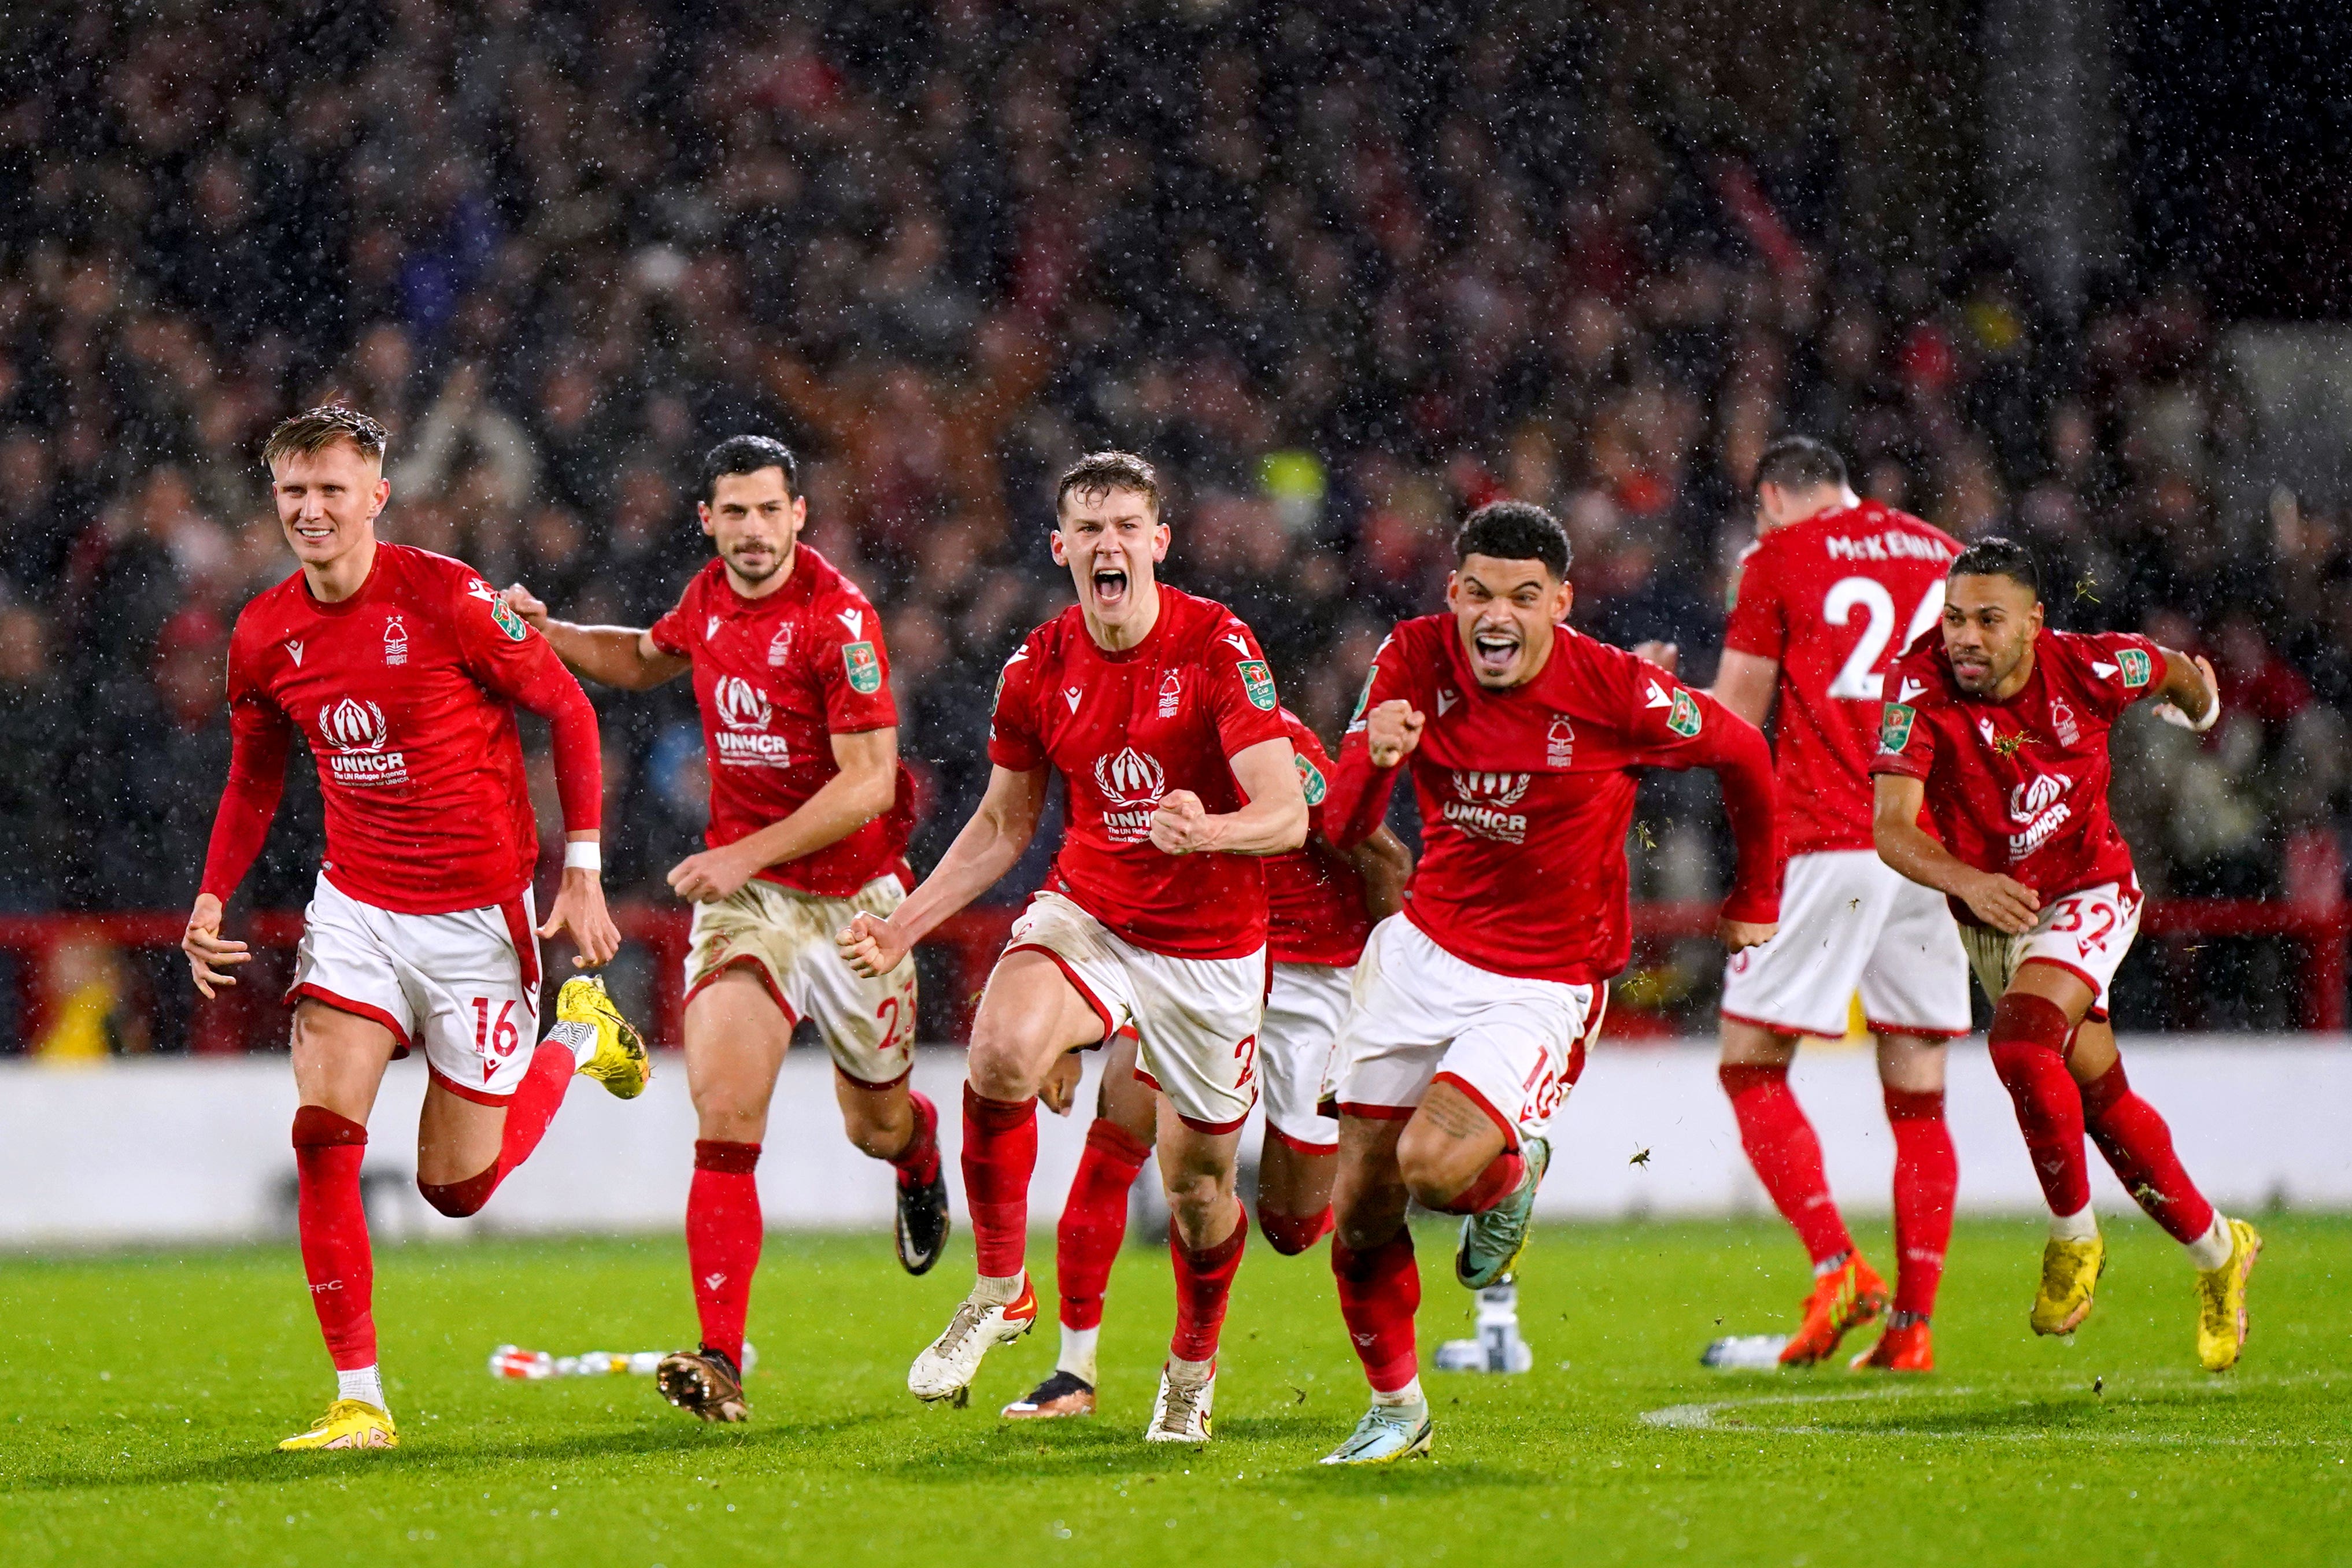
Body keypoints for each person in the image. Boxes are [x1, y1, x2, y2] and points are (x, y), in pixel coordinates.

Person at [182, 405, 645, 1454]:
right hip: (356, 907)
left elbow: (568, 711)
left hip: (477, 922)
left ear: (376, 497)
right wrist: (213, 892)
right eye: (294, 491)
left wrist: (582, 870)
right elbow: (257, 773)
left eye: (332, 490)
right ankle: (360, 1399)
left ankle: (575, 1039)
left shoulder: (450, 598)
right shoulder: (262, 633)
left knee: (456, 1188)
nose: (311, 509)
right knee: (321, 1133)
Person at [838, 451, 1307, 1443]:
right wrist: (905, 922)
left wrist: (1210, 829)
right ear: (1060, 548)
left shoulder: (1219, 647)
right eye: (1089, 529)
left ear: (1157, 542)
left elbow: (1283, 814)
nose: (1108, 545)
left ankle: (1189, 1367)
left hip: (1211, 946)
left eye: (1127, 526)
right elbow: (1004, 826)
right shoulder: (1036, 665)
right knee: (1001, 1049)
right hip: (1091, 911)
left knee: (1198, 1188)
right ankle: (1003, 1289)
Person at [1314, 500, 1781, 1465]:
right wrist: (1371, 757)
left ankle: (1506, 1172)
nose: (1496, 614)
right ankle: (1396, 1408)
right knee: (1357, 1202)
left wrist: (1758, 893)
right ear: (1451, 595)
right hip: (1422, 950)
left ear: (1558, 605)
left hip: (1542, 977)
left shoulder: (1612, 688)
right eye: (1478, 593)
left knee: (1433, 1168)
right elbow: (1342, 823)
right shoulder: (1408, 658)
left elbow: (1744, 749)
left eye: (1522, 597)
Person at [503, 434, 937, 1425]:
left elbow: (868, 782)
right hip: (749, 904)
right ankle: (719, 1357)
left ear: (799, 517)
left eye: (765, 511)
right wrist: (549, 630)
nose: (749, 530)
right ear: (707, 520)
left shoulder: (840, 620)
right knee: (726, 1113)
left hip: (858, 897)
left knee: (874, 1122)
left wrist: (745, 851)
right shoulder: (705, 598)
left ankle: (917, 1155)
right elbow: (645, 658)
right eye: (730, 512)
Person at [1870, 535, 2260, 1371]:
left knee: (2018, 1042)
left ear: (2034, 623)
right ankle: (2221, 1250)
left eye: (1986, 619)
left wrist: (2202, 711)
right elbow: (1891, 829)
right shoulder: (1915, 683)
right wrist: (1970, 882)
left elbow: (2174, 671)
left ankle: (2072, 1239)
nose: (1964, 637)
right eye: (1952, 619)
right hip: (1993, 909)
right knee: (2100, 1098)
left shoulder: (2090, 668)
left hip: (2088, 892)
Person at [1000, 705, 1411, 1419]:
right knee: (1113, 1142)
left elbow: (1385, 858)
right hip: (1196, 961)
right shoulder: (1125, 742)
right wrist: (1069, 1035)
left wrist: (1387, 988)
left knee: (1291, 1226)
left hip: (1311, 982)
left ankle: (1426, 1157)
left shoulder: (1278, 746)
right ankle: (1073, 1373)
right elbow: (1099, 870)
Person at [1659, 436, 1972, 1373]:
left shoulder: (1775, 558)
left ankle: (1835, 1263)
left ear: (1770, 502)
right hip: (1929, 842)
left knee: (1749, 1064)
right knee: (1918, 1095)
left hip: (1832, 837)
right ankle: (1910, 1328)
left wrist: (1647, 701)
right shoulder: (1942, 550)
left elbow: (1734, 714)